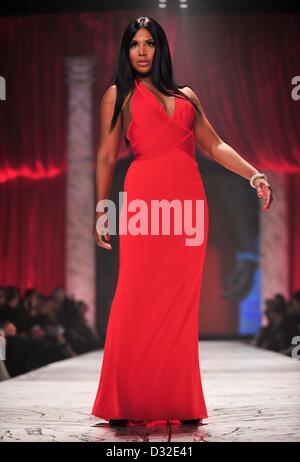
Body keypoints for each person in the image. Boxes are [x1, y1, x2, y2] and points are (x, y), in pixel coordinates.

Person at [91, 16, 274, 427]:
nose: (141, 51)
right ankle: (123, 401)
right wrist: (103, 210)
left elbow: (214, 144)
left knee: (179, 308)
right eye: (135, 43)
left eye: (149, 43)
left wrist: (254, 174)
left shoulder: (187, 95)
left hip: (190, 206)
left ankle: (178, 399)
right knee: (133, 297)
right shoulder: (116, 95)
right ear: (126, 49)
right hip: (143, 205)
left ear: (160, 49)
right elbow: (105, 157)